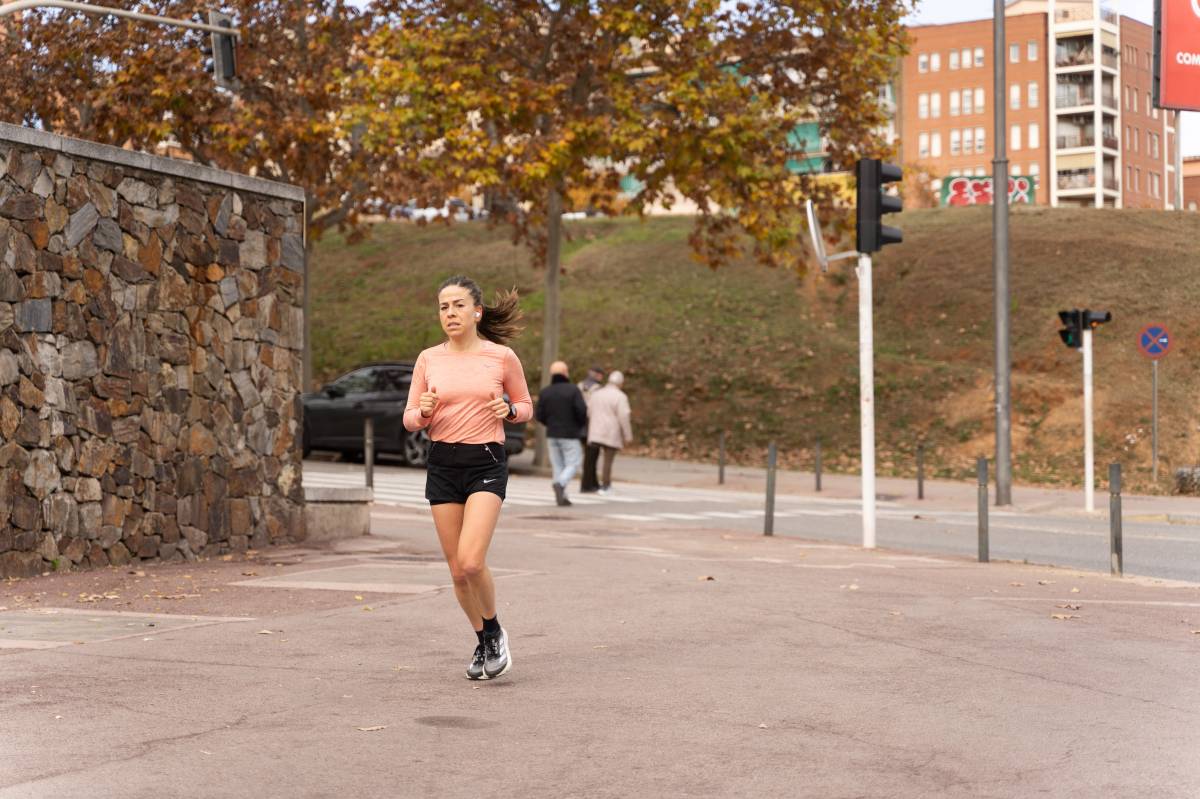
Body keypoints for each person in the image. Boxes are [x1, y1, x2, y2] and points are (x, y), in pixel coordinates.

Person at [403, 275, 533, 681]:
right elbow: (409, 420)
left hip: (486, 462)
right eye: (443, 307)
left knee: (472, 561)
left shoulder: (501, 357)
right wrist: (423, 411)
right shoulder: (428, 359)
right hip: (442, 461)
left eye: (458, 305)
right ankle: (482, 640)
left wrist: (509, 412)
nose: (450, 313)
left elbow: (527, 404)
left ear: (477, 312)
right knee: (456, 571)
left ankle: (494, 632)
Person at [535, 361, 588, 506]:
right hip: (570, 434)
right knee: (574, 463)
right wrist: (578, 424)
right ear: (565, 373)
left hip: (552, 434)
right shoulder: (573, 390)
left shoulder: (546, 392)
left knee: (558, 465)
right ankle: (560, 483)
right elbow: (582, 411)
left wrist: (550, 424)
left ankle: (562, 496)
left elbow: (539, 415)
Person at [586, 370, 632, 494]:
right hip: (611, 432)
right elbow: (624, 416)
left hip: (595, 431)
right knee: (608, 461)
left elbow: (589, 410)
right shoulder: (620, 396)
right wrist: (628, 435)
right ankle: (606, 485)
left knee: (592, 459)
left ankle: (590, 483)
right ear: (620, 383)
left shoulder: (597, 393)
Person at [577, 366, 605, 493]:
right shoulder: (598, 389)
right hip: (592, 425)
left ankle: (592, 482)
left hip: (580, 425)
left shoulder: (579, 386)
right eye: (600, 374)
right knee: (592, 456)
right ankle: (588, 483)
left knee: (589, 455)